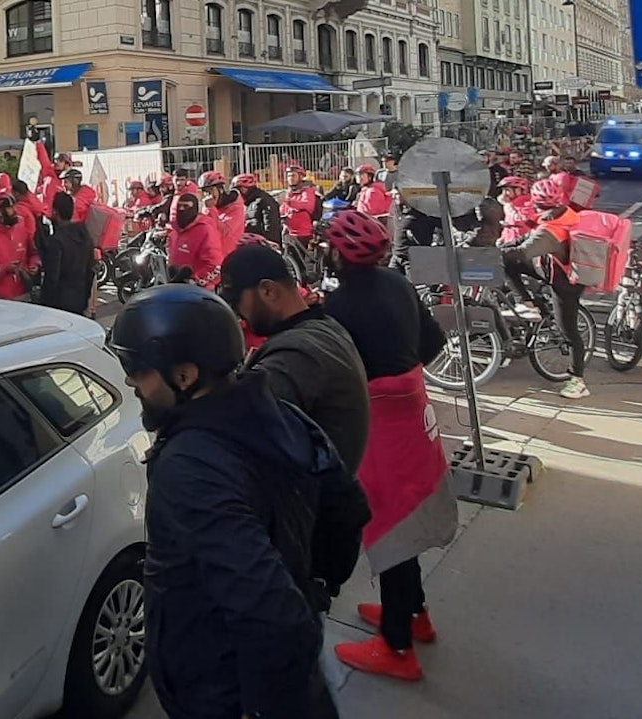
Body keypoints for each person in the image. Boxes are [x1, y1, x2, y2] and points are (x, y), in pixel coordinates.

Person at [106, 283, 367, 719]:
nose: (131, 380)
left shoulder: (188, 467)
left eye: (136, 367)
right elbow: (347, 508)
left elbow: (274, 614)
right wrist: (317, 587)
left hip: (224, 687)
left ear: (185, 375)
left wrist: (263, 706)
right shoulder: (280, 414)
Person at [318, 210, 458, 683]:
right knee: (411, 515)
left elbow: (332, 378)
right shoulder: (398, 284)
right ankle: (415, 613)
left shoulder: (336, 310)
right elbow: (433, 345)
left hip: (379, 430)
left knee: (393, 530)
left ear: (338, 254)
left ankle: (398, 647)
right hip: (417, 419)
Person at [221, 242, 371, 471]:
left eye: (236, 302)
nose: (238, 313)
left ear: (268, 291)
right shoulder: (324, 326)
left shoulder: (296, 355)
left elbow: (235, 432)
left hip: (315, 499)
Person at [502, 178, 592, 397]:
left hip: (566, 282)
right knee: (507, 263)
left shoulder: (552, 229)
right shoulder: (561, 214)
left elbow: (524, 252)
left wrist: (493, 253)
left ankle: (578, 382)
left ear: (535, 201)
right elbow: (525, 238)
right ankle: (531, 304)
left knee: (568, 331)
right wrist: (503, 247)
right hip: (553, 270)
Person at [37, 192, 97, 316]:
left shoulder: (56, 240)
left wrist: (45, 303)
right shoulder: (85, 236)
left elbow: (52, 277)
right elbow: (90, 270)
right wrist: (86, 298)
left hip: (60, 303)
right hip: (80, 298)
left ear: (55, 212)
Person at [167, 193, 224, 290]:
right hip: (176, 287)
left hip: (199, 292)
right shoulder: (175, 231)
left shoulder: (206, 230)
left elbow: (215, 265)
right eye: (179, 206)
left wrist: (196, 281)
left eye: (185, 206)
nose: (181, 209)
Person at [198, 171, 245, 257]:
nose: (208, 195)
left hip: (229, 256)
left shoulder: (235, 206)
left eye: (211, 190)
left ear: (220, 189)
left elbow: (225, 231)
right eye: (205, 191)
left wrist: (210, 209)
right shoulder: (209, 206)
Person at [233, 173, 282, 243]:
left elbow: (272, 225)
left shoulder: (264, 200)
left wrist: (271, 244)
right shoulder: (247, 203)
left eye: (239, 189)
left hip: (262, 244)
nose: (238, 193)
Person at [281, 165, 321, 244]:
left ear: (300, 176)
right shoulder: (289, 192)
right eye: (288, 176)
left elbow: (308, 205)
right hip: (289, 230)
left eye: (293, 175)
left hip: (303, 232)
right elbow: (284, 209)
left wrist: (289, 202)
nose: (290, 178)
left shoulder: (307, 190)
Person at [499, 176, 538, 246]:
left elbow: (522, 219)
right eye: (503, 190)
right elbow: (508, 224)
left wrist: (508, 206)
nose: (504, 194)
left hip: (522, 243)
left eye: (507, 190)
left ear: (518, 190)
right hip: (509, 241)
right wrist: (502, 238)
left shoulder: (528, 203)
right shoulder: (511, 204)